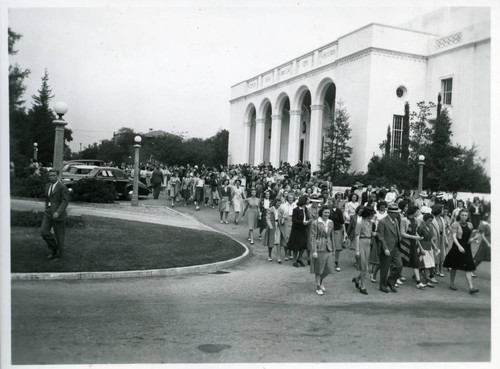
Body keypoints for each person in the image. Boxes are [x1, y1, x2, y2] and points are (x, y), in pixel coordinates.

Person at [444, 209, 480, 294]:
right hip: (457, 247)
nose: (464, 217)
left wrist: (474, 239)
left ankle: (471, 287)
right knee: (454, 266)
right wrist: (459, 246)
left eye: (465, 215)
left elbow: (473, 235)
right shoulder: (455, 224)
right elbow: (454, 237)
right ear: (459, 215)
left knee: (469, 267)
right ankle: (452, 283)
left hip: (467, 247)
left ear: (468, 217)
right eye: (462, 215)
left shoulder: (470, 224)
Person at [41, 169, 69, 260]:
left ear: (57, 176)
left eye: (53, 175)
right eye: (50, 175)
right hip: (48, 213)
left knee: (59, 236)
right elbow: (47, 199)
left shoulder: (62, 187)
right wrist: (46, 208)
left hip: (58, 214)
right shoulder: (47, 185)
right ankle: (54, 248)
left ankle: (60, 256)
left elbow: (64, 202)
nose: (52, 177)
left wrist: (58, 212)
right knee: (44, 232)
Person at [377, 203, 403, 293]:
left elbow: (397, 233)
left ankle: (391, 281)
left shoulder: (395, 221)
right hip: (387, 247)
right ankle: (383, 285)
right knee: (385, 267)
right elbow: (380, 236)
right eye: (394, 212)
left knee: (399, 265)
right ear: (389, 212)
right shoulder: (382, 221)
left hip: (396, 247)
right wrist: (385, 248)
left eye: (397, 212)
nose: (397, 214)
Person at [310, 205, 335, 295]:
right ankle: (318, 287)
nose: (327, 214)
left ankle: (319, 282)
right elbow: (312, 237)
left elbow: (332, 236)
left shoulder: (331, 222)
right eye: (325, 212)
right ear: (321, 213)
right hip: (319, 247)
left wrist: (333, 249)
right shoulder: (315, 223)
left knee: (329, 269)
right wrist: (314, 251)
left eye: (328, 213)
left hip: (328, 247)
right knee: (319, 269)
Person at [352, 206, 376, 295]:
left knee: (365, 266)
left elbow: (370, 233)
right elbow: (357, 236)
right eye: (372, 214)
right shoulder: (360, 223)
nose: (373, 216)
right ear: (368, 214)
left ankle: (357, 279)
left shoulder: (370, 223)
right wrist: (357, 250)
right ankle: (363, 286)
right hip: (362, 242)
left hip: (368, 243)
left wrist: (374, 234)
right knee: (364, 267)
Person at [400, 206, 426, 288]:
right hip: (405, 243)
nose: (418, 213)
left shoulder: (415, 220)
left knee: (416, 262)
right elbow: (402, 233)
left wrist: (419, 241)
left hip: (414, 243)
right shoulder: (404, 220)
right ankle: (397, 276)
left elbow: (415, 232)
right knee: (402, 261)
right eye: (417, 211)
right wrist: (416, 237)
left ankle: (418, 282)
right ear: (413, 212)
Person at [417, 213, 439, 287]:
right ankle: (427, 280)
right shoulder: (421, 227)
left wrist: (435, 246)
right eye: (429, 220)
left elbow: (431, 239)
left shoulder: (430, 227)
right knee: (427, 265)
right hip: (424, 247)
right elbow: (418, 239)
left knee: (431, 264)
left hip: (429, 247)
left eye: (431, 220)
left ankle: (417, 275)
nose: (430, 222)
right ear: (425, 220)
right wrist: (421, 249)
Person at [288, 195, 310, 268]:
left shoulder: (306, 209)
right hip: (297, 229)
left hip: (303, 229)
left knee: (304, 244)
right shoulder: (296, 210)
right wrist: (302, 222)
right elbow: (294, 220)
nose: (308, 201)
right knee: (296, 246)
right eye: (307, 200)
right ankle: (294, 260)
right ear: (304, 200)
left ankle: (299, 258)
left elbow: (307, 217)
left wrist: (308, 221)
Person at [329, 197, 346, 272]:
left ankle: (336, 262)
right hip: (328, 230)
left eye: (336, 203)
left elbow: (342, 222)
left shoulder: (339, 211)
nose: (335, 204)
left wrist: (345, 232)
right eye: (333, 202)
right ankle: (328, 262)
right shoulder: (327, 210)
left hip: (337, 230)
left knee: (338, 247)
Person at [431, 205, 448, 277]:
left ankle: (440, 269)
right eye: (442, 210)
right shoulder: (432, 219)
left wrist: (446, 239)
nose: (443, 211)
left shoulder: (442, 218)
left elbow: (444, 230)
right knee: (435, 253)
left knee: (442, 253)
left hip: (441, 237)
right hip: (435, 237)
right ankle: (435, 269)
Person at [263, 198, 281, 262]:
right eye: (278, 203)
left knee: (278, 241)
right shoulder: (270, 209)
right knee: (271, 241)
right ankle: (269, 255)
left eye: (280, 203)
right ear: (275, 202)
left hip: (278, 226)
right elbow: (267, 218)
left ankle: (279, 257)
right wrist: (270, 226)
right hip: (272, 226)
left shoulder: (280, 209)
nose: (279, 204)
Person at [278, 193, 295, 261]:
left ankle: (290, 252)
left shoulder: (295, 205)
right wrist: (281, 219)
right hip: (285, 221)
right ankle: (286, 253)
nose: (290, 199)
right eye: (289, 198)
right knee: (285, 238)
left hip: (293, 221)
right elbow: (280, 214)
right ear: (287, 198)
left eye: (292, 198)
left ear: (293, 198)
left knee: (292, 238)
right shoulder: (283, 205)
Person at [305, 194, 321, 265]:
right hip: (310, 226)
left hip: (318, 226)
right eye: (313, 202)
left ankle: (317, 257)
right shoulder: (308, 209)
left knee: (318, 241)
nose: (315, 203)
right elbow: (308, 218)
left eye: (316, 202)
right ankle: (308, 257)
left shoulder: (320, 209)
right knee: (309, 241)